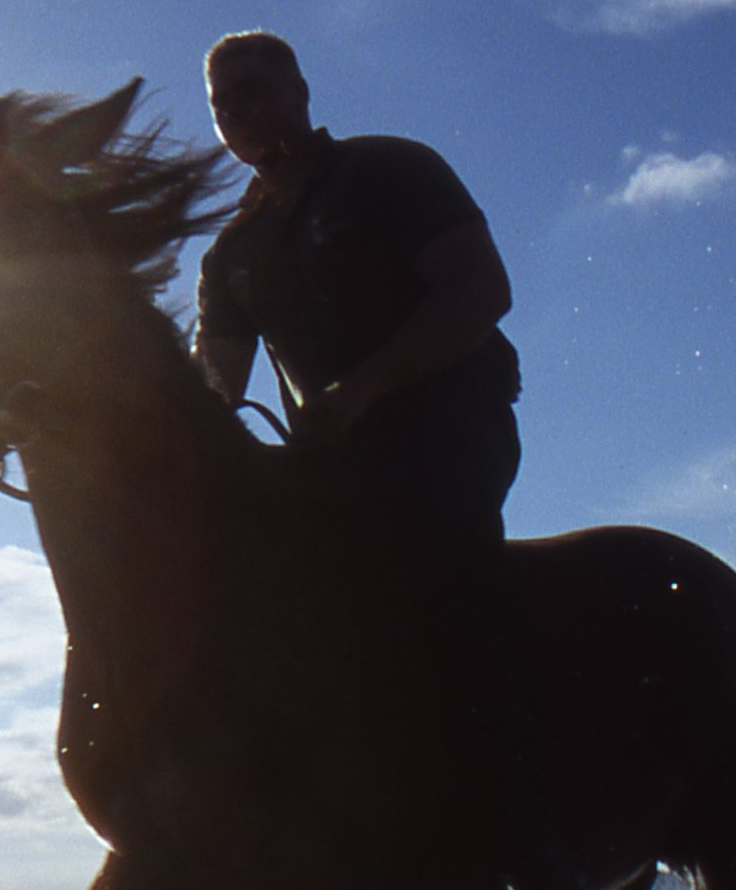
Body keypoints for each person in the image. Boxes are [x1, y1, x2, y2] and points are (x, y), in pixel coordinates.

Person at [192, 31, 522, 548]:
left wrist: (359, 391)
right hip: (325, 460)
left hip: (448, 433)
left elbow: (481, 290)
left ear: (298, 92)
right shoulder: (231, 253)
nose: (233, 110)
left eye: (249, 90)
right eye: (221, 102)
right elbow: (214, 388)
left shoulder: (388, 169)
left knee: (421, 569)